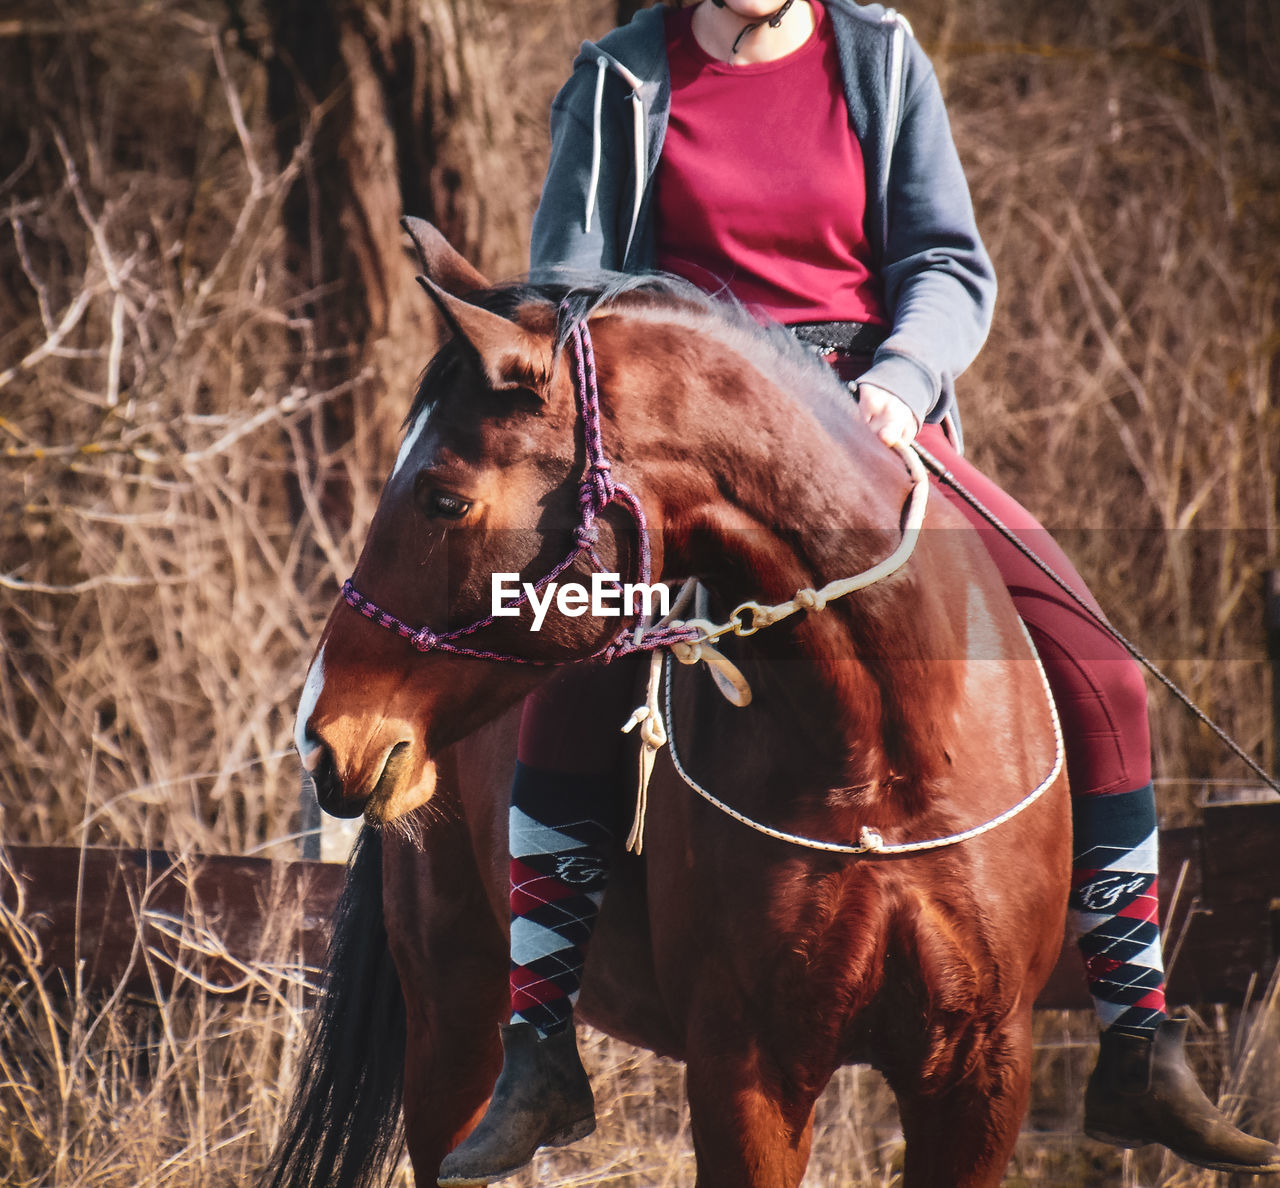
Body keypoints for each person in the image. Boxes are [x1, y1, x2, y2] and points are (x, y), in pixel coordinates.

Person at [437, 1, 1280, 1183]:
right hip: (692, 451)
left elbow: (945, 261)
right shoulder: (619, 77)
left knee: (1100, 669)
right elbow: (572, 290)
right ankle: (536, 1043)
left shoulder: (876, 56)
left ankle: (1136, 1036)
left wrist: (899, 377)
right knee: (566, 677)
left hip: (871, 426)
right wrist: (690, 389)